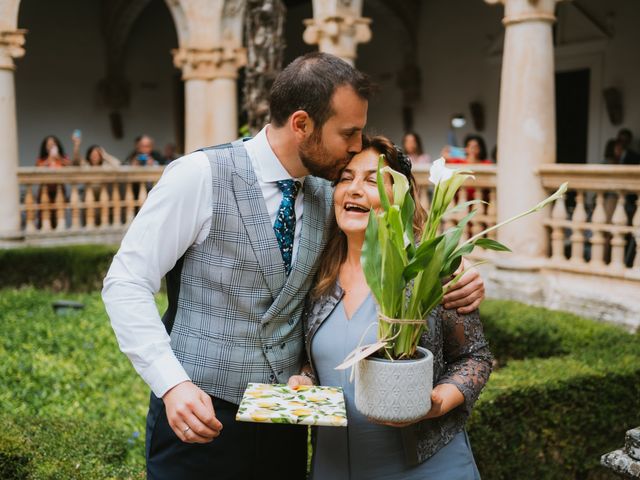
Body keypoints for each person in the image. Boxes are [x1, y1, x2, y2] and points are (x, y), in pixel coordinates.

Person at [102, 52, 485, 480]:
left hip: (289, 423)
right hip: (199, 415)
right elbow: (126, 282)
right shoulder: (198, 175)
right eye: (348, 133)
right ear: (302, 124)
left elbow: (390, 232)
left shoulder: (330, 189)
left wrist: (457, 267)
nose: (356, 146)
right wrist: (172, 384)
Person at [291, 135, 492, 479]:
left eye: (371, 180)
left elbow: (476, 358)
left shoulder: (431, 270)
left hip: (427, 468)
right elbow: (317, 359)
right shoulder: (315, 273)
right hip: (334, 466)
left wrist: (436, 403)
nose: (353, 189)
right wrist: (306, 381)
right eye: (345, 178)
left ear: (399, 198)